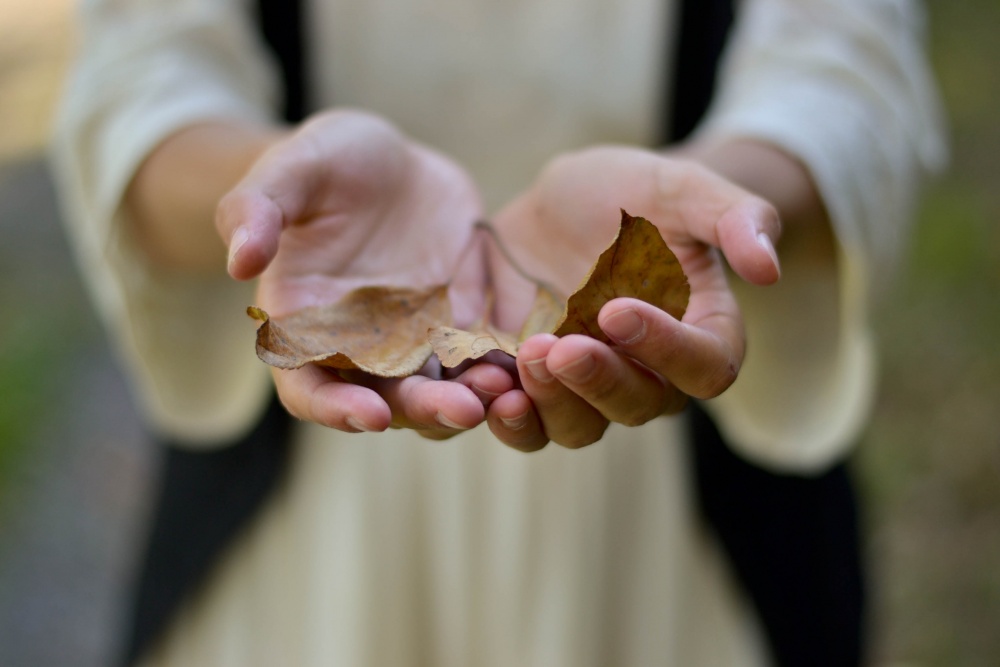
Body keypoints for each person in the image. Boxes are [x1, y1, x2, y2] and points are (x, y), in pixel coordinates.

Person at [51, 0, 946, 664]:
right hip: (309, 516)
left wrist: (707, 193)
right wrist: (269, 183)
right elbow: (138, 82)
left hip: (672, 523)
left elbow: (847, 74)